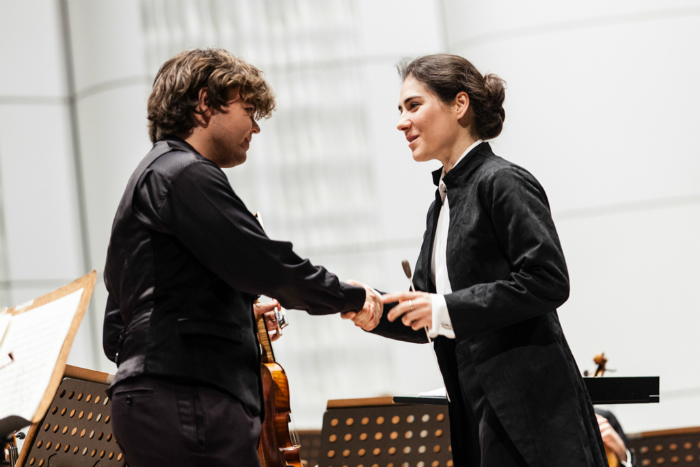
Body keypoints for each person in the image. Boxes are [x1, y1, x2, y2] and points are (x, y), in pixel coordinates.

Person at [102, 48, 381, 467]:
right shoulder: (185, 173)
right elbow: (267, 266)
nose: (255, 126)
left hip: (149, 400)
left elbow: (117, 332)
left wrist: (232, 316)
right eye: (248, 111)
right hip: (189, 399)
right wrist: (350, 296)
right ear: (204, 103)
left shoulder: (150, 178)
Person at [343, 54, 608, 466]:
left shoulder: (502, 180)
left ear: (460, 105)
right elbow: (429, 313)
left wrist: (442, 308)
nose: (401, 122)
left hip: (533, 418)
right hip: (476, 414)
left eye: (413, 105)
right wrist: (372, 308)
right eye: (400, 109)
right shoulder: (441, 204)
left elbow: (547, 279)